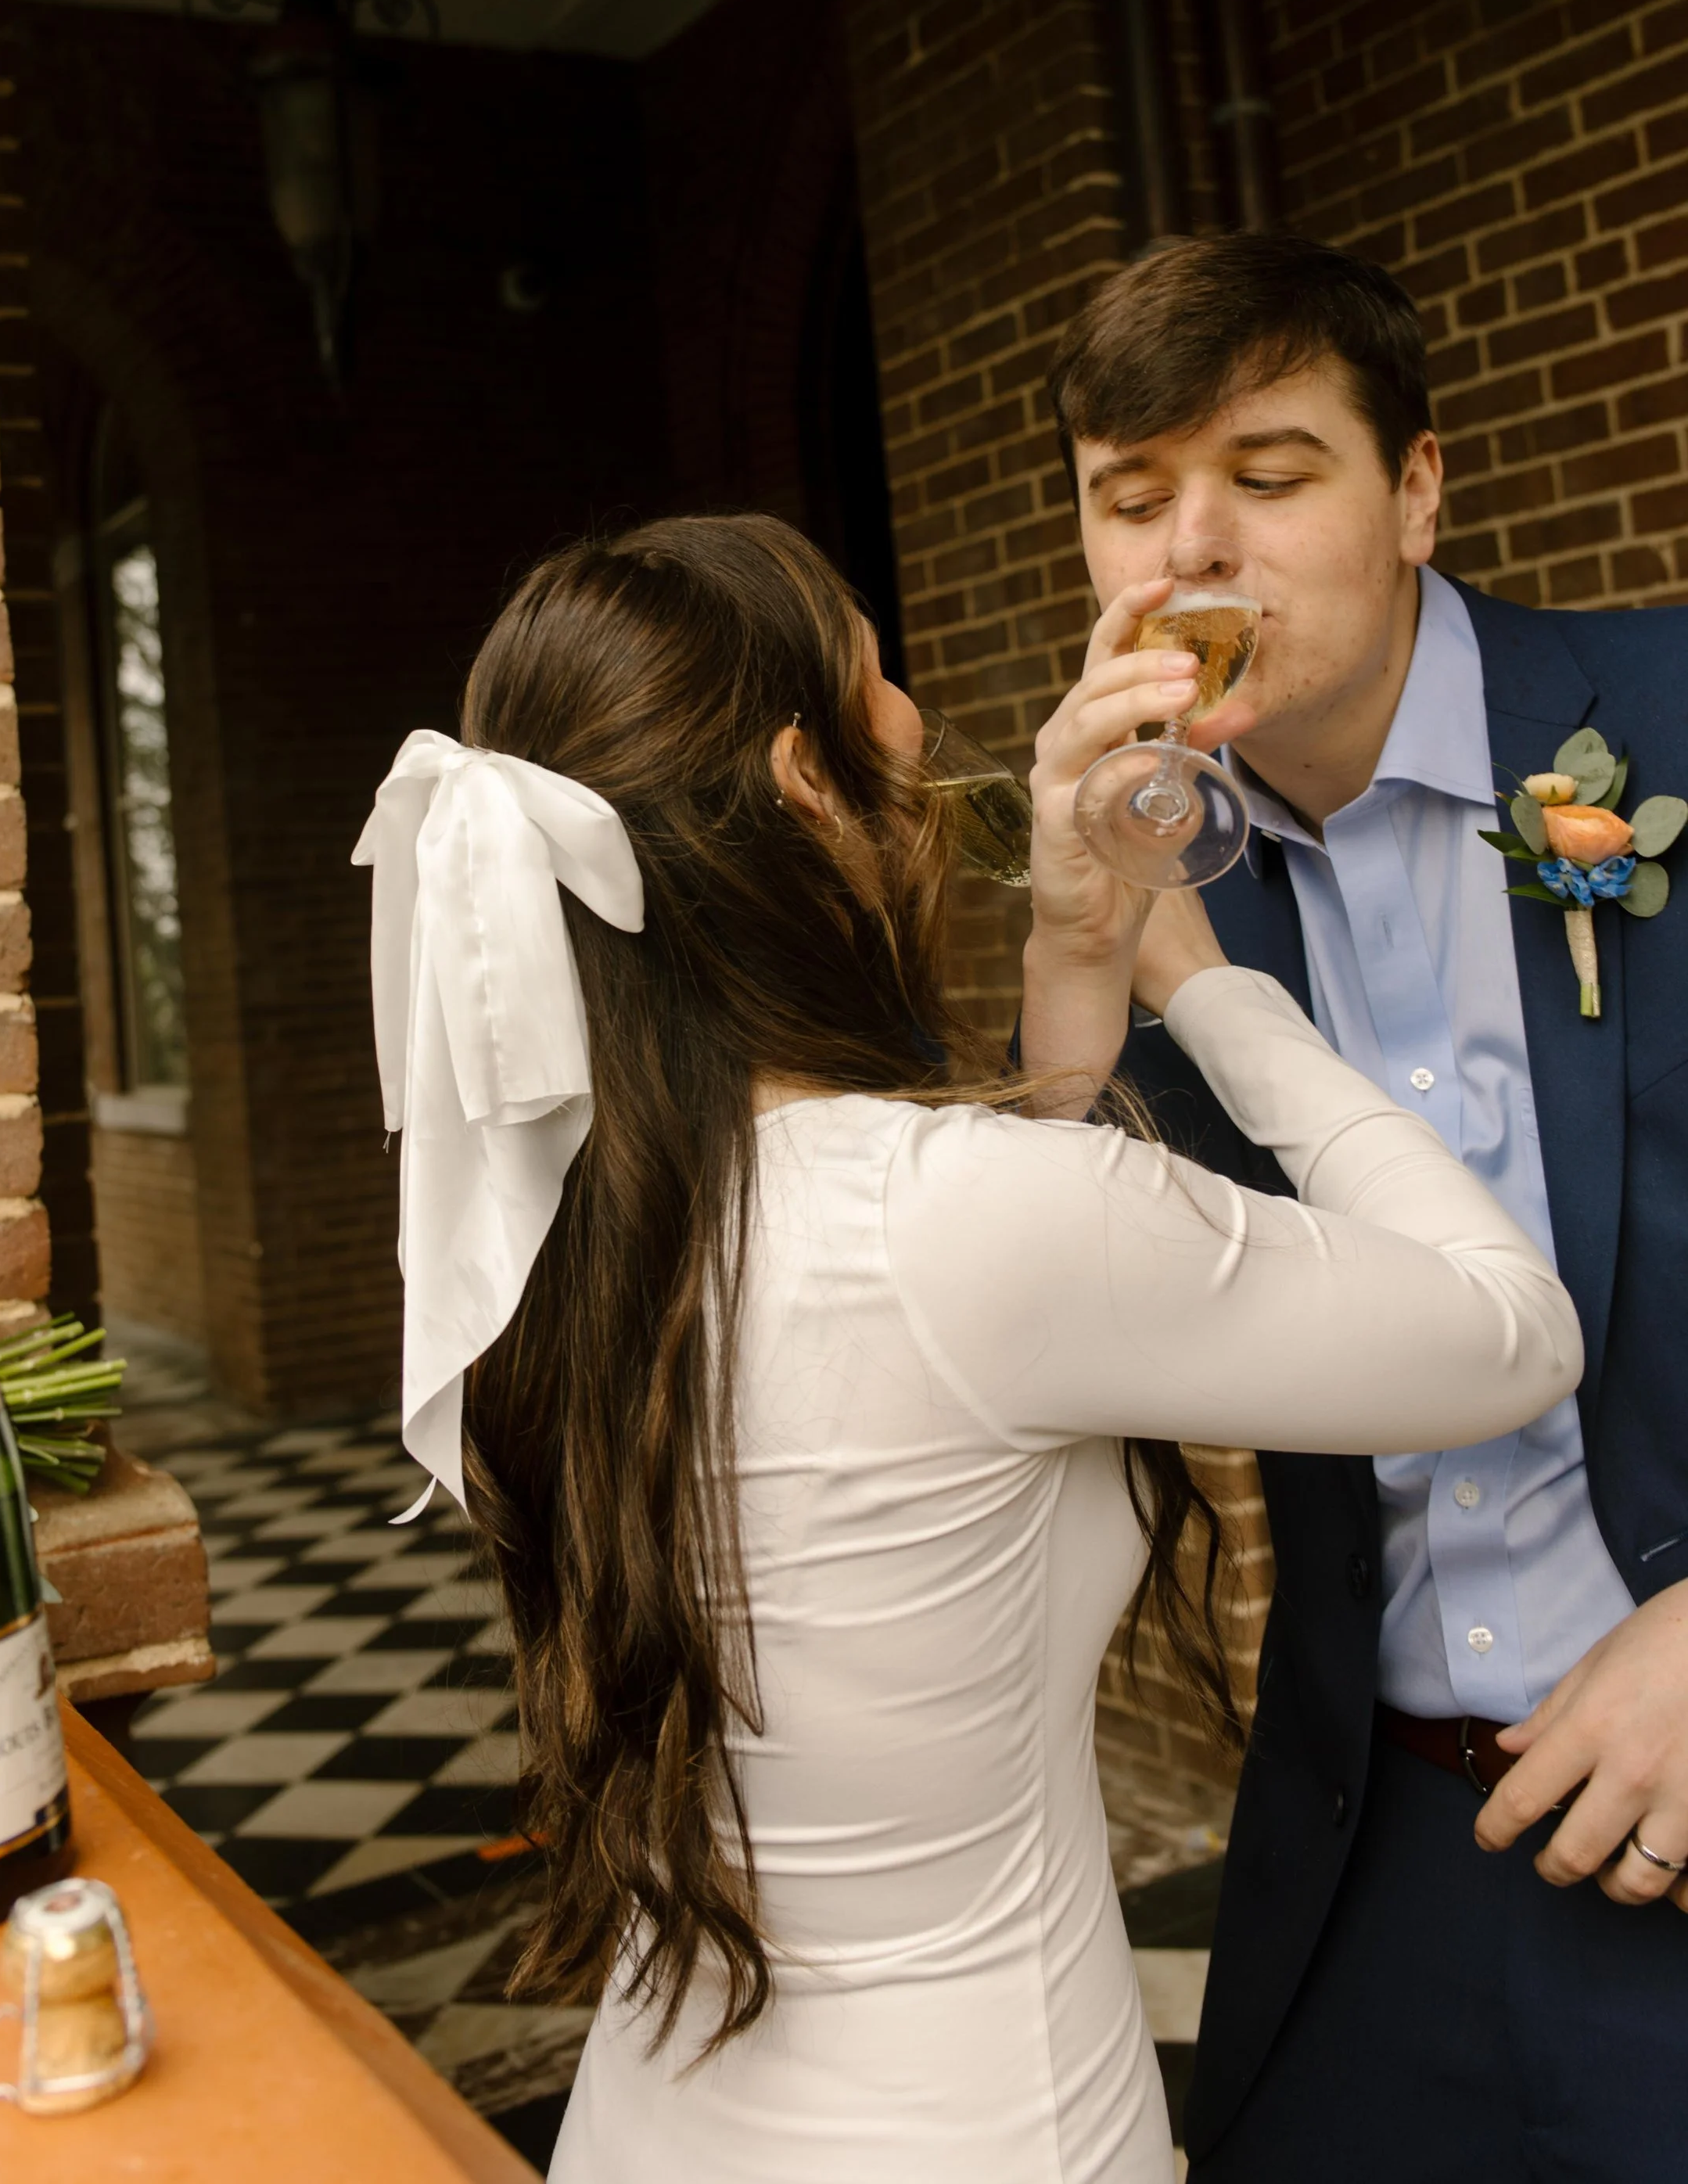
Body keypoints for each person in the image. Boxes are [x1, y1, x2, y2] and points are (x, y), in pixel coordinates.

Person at [351, 512, 1578, 2183]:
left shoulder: (550, 1234)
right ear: (801, 778)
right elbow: (1508, 1333)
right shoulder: (947, 1223)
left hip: (660, 2121)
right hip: (987, 2125)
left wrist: (1075, 948)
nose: (917, 714)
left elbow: (974, 1345)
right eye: (875, 672)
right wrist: (1213, 993)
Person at [1047, 233, 1688, 2183]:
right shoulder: (1141, 872)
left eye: (1267, 472)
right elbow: (1039, 1300)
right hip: (1374, 1840)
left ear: (1414, 490)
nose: (1192, 551)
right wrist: (1068, 959)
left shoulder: (1666, 715)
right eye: (1130, 499)